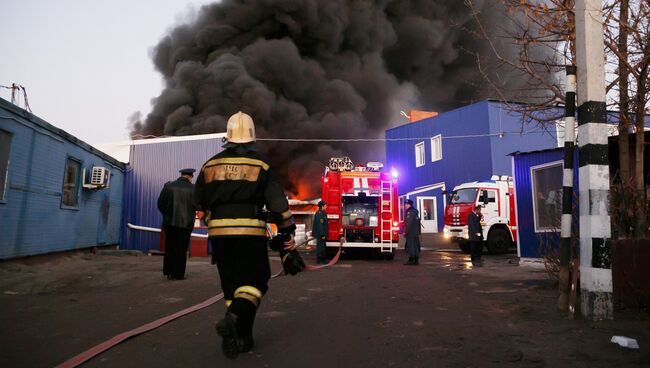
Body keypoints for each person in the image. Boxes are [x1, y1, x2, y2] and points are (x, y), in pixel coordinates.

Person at [194, 111, 305, 360]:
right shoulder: (261, 164)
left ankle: (242, 337)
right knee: (256, 281)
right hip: (249, 233)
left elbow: (197, 199)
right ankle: (232, 320)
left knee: (232, 288)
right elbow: (278, 205)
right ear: (252, 137)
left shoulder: (210, 165)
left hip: (219, 235)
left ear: (229, 137)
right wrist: (287, 231)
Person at [157, 168, 196, 280]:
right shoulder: (193, 189)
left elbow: (160, 203)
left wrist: (167, 215)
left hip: (170, 223)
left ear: (181, 175)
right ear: (190, 176)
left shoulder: (168, 186)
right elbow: (198, 206)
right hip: (186, 224)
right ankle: (178, 274)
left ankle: (169, 272)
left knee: (170, 247)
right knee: (181, 249)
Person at [403, 199, 421, 265]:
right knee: (415, 246)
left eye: (407, 204)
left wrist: (405, 232)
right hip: (415, 232)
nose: (405, 206)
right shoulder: (415, 212)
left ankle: (411, 259)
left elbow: (409, 223)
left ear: (410, 205)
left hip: (410, 233)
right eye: (405, 204)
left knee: (411, 246)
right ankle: (416, 260)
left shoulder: (409, 212)